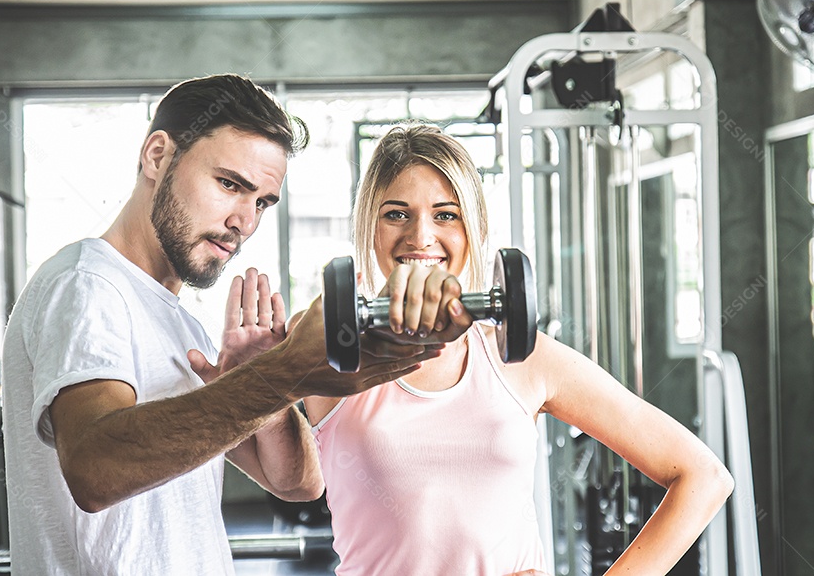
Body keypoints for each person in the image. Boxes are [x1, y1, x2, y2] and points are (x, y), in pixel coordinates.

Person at [0, 76, 471, 575]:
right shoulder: (86, 284)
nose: (244, 221)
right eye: (230, 184)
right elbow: (96, 470)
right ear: (157, 156)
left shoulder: (184, 325)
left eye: (263, 202)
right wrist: (283, 373)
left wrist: (263, 379)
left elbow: (298, 483)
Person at [302, 124, 735, 576]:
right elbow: (286, 474)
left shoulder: (523, 359)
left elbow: (702, 476)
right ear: (368, 227)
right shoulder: (323, 353)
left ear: (475, 229)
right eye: (396, 214)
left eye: (446, 215)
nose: (421, 236)